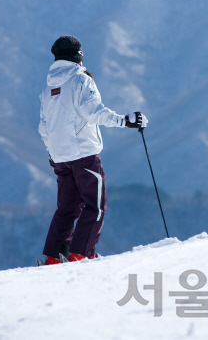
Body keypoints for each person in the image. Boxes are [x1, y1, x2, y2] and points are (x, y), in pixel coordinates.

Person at [38, 35, 147, 264]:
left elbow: (43, 127)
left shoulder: (48, 88)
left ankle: (54, 257)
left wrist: (52, 152)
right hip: (84, 156)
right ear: (78, 56)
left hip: (60, 158)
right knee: (95, 206)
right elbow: (95, 112)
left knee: (66, 209)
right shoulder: (80, 81)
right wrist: (125, 121)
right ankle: (81, 254)